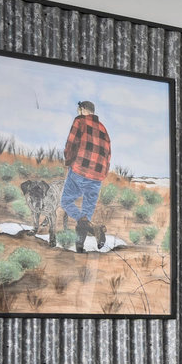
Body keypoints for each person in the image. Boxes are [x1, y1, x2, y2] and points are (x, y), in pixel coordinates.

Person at [59, 99, 111, 251]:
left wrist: (68, 161)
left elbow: (71, 143)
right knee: (86, 212)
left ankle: (88, 232)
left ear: (82, 109)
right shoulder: (103, 128)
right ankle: (80, 246)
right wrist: (102, 174)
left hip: (79, 170)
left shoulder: (80, 121)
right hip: (97, 176)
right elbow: (108, 154)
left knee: (66, 201)